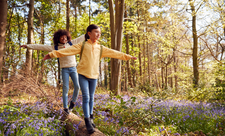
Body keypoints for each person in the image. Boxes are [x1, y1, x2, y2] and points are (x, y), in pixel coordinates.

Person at [43, 24, 137, 134]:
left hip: (94, 76)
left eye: (99, 33)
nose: (98, 34)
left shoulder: (100, 48)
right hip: (82, 75)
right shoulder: (82, 45)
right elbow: (67, 51)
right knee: (86, 97)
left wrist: (128, 57)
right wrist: (52, 54)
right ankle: (87, 121)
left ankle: (91, 118)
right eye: (96, 32)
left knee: (92, 98)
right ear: (89, 33)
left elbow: (114, 53)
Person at [21, 29, 85, 114]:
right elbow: (41, 47)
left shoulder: (71, 44)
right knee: (65, 88)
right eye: (62, 37)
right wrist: (28, 46)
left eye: (65, 37)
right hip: (64, 70)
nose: (64, 39)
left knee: (77, 86)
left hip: (73, 68)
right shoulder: (55, 48)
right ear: (58, 38)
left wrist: (92, 31)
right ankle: (65, 108)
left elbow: (82, 37)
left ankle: (72, 103)